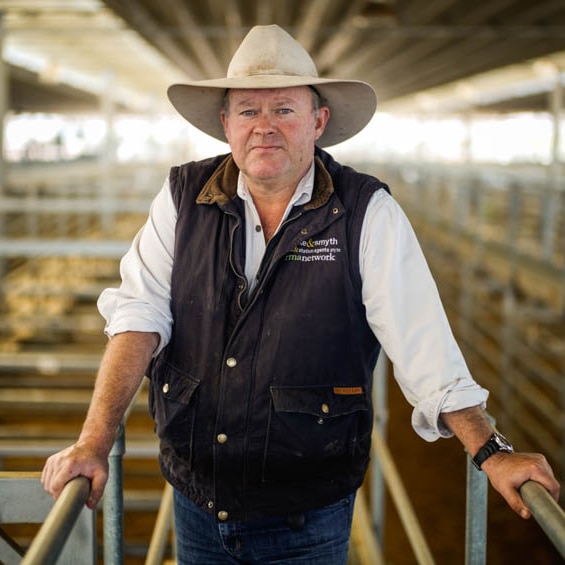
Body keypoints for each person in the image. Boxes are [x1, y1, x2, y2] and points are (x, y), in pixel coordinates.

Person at [42, 24, 559, 564]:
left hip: (307, 517)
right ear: (225, 125)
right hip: (198, 502)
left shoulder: (366, 212)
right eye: (247, 111)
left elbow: (421, 341)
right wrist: (95, 440)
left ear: (318, 122)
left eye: (284, 110)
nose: (264, 127)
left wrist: (490, 448)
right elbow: (139, 314)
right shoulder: (181, 199)